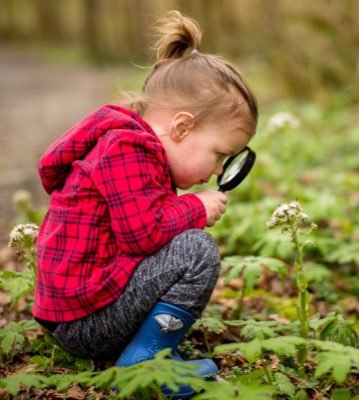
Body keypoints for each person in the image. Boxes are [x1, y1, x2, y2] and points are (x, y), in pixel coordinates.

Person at [33, 10, 258, 398]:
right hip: (83, 322)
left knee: (186, 246)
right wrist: (196, 209)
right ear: (182, 127)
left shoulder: (134, 147)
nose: (218, 168)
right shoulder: (128, 149)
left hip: (80, 312)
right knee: (195, 251)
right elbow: (142, 235)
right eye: (219, 154)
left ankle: (143, 351)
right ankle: (145, 364)